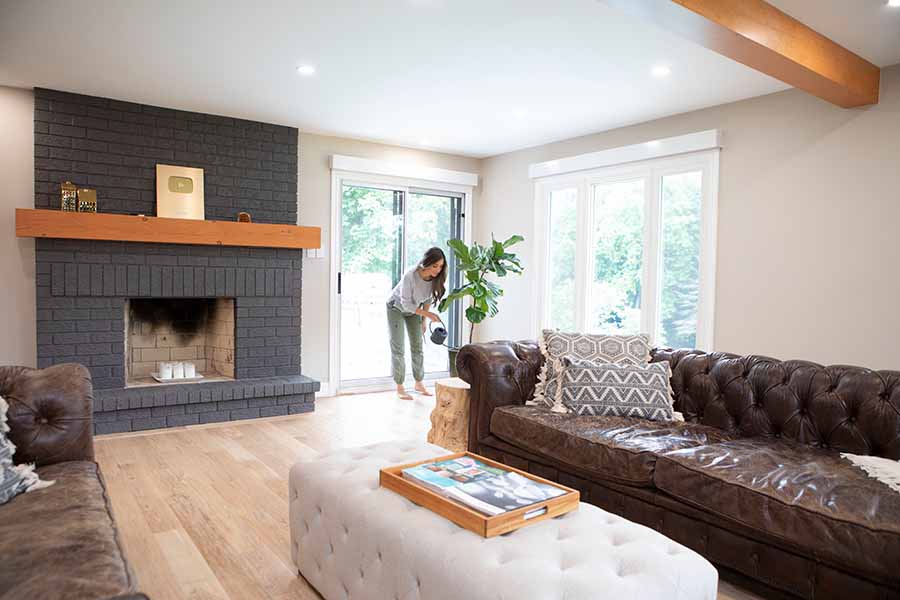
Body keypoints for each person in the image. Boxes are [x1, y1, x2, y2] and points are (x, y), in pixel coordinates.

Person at [386, 247, 446, 399]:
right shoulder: (410, 275)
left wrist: (424, 320)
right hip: (396, 308)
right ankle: (400, 386)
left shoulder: (434, 279)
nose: (438, 270)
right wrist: (428, 314)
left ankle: (418, 383)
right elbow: (406, 304)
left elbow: (427, 299)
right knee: (398, 346)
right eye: (435, 266)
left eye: (441, 267)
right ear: (426, 263)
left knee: (417, 346)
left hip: (415, 311)